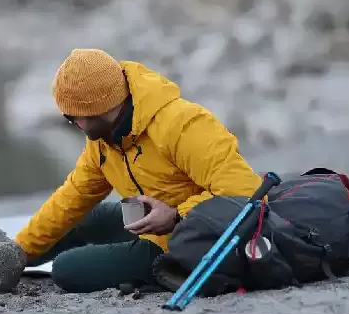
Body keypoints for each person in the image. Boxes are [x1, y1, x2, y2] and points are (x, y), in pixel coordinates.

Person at [14, 49, 264, 293]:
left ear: (96, 108)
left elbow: (246, 191)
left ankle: (171, 273)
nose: (71, 123)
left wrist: (177, 215)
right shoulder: (103, 140)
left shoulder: (182, 124)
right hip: (151, 229)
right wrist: (16, 251)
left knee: (65, 269)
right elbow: (71, 198)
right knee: (86, 218)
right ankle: (2, 263)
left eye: (71, 117)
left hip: (190, 242)